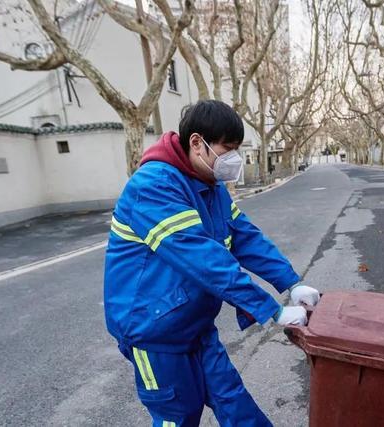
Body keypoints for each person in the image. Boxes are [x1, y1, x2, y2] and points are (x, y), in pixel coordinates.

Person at [103, 100, 320, 427]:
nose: (234, 159)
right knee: (178, 415)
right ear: (196, 142)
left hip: (193, 323)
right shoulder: (154, 186)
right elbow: (203, 259)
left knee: (233, 400)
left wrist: (291, 283)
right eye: (228, 148)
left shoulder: (210, 186)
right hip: (153, 330)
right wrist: (270, 309)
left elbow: (244, 235)